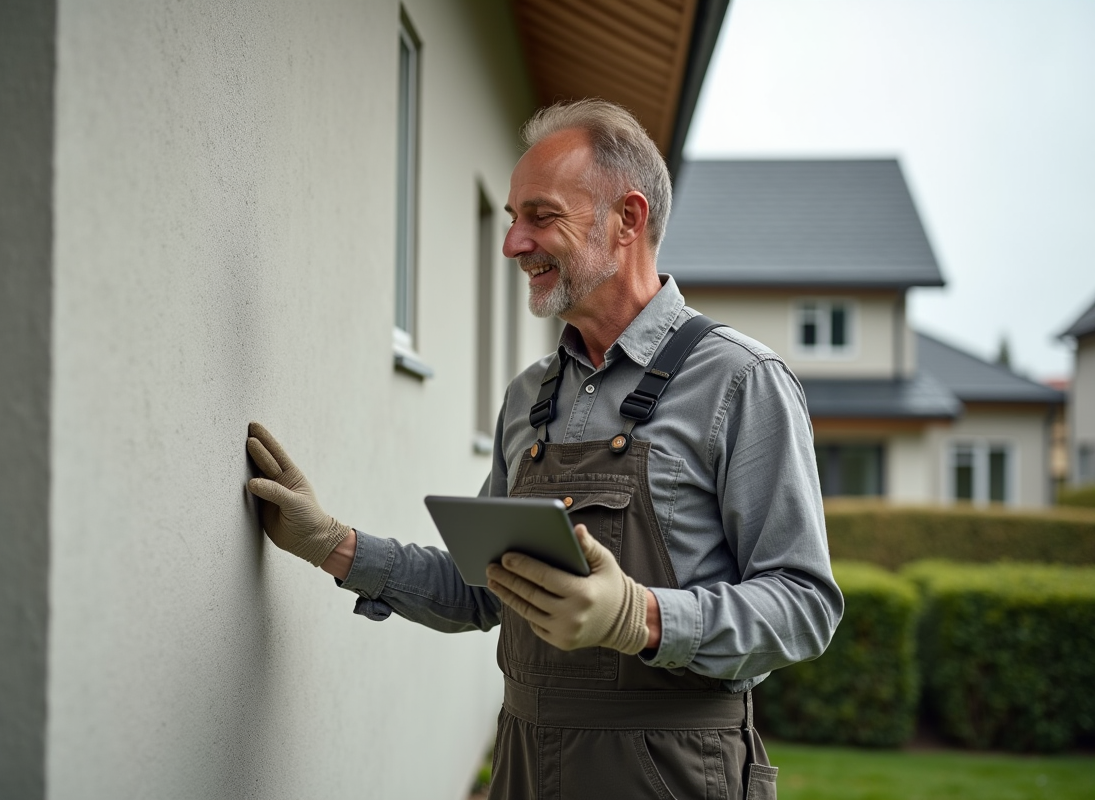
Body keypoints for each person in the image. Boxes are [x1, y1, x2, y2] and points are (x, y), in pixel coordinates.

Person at [246, 99, 843, 800]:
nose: (512, 244)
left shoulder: (740, 381)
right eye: (511, 218)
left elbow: (804, 605)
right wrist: (332, 545)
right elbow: (483, 589)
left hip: (671, 774)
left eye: (541, 216)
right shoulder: (531, 395)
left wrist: (641, 617)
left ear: (628, 219)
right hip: (526, 769)